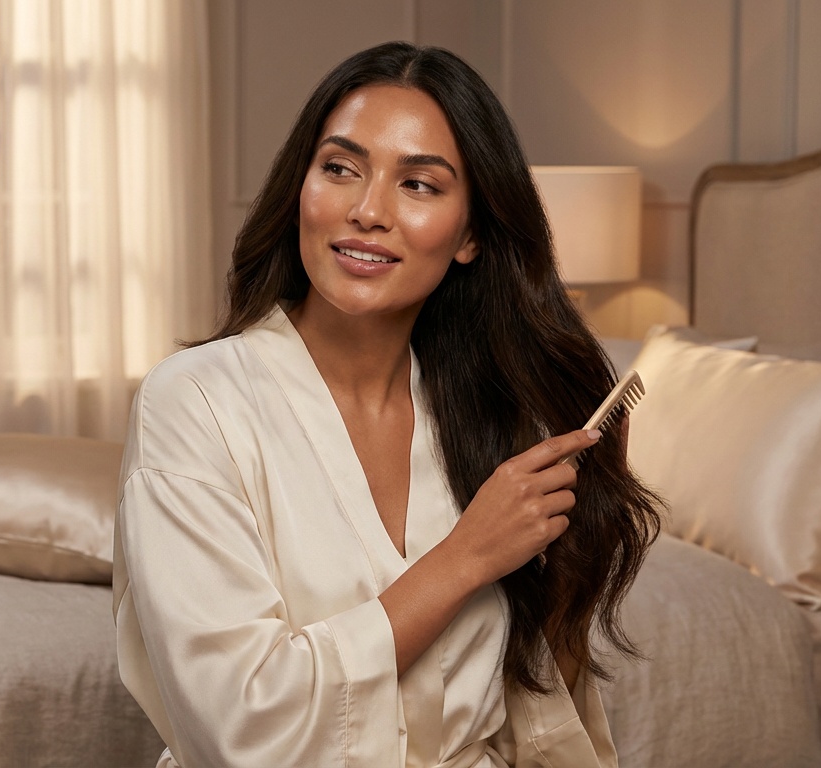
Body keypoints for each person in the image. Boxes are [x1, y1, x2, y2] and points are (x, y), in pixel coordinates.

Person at [113, 41, 661, 768]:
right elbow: (240, 725)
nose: (367, 211)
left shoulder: (493, 418)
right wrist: (466, 557)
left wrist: (574, 545)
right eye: (340, 169)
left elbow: (533, 714)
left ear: (471, 235)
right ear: (300, 188)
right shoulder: (195, 401)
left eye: (419, 185)